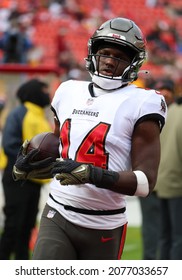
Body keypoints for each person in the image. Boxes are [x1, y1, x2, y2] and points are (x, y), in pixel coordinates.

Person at [12, 17, 167, 260]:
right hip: (58, 211)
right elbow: (61, 149)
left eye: (119, 56)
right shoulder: (67, 91)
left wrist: (92, 174)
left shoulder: (144, 102)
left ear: (133, 62)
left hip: (104, 224)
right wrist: (32, 162)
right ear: (93, 53)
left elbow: (145, 182)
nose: (109, 61)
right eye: (105, 52)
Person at [0, 78, 52, 260]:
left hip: (35, 181)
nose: (48, 93)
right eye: (44, 90)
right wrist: (30, 164)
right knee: (14, 225)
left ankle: (22, 267)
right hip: (17, 178)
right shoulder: (19, 113)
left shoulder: (41, 116)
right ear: (33, 92)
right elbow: (9, 145)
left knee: (27, 227)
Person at [139, 78, 175, 260]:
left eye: (168, 89)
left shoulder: (175, 114)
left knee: (170, 232)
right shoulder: (147, 114)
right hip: (150, 181)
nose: (165, 92)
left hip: (170, 182)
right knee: (152, 229)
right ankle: (150, 266)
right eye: (161, 88)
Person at [155, 95, 182, 259]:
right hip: (177, 184)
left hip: (163, 181)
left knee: (165, 237)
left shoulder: (171, 110)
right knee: (179, 238)